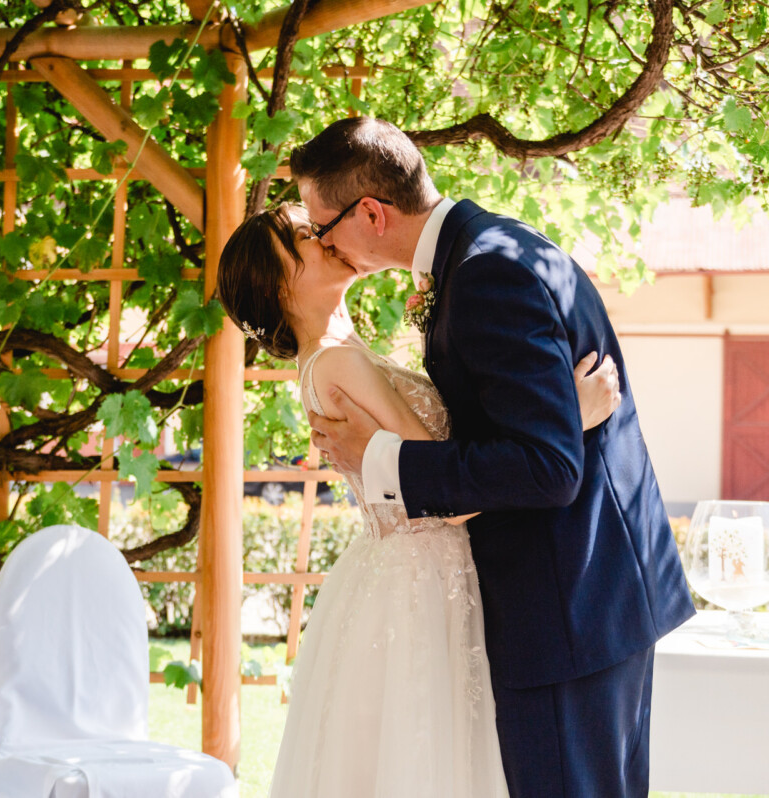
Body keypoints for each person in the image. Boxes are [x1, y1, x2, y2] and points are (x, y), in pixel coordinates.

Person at [293, 117, 696, 797]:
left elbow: (547, 466)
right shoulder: (497, 245)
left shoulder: (485, 276)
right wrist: (575, 416)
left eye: (322, 225)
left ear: (370, 212)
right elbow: (539, 431)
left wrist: (381, 459)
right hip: (593, 596)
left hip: (565, 608)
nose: (322, 240)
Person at [217, 204, 621, 798]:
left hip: (413, 572)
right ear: (277, 283)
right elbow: (442, 491)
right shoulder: (338, 363)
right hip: (418, 581)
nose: (323, 237)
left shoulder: (341, 354)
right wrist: (570, 419)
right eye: (303, 237)